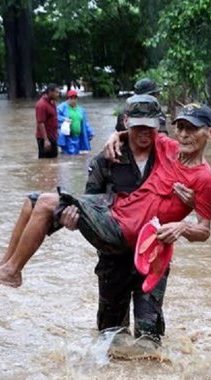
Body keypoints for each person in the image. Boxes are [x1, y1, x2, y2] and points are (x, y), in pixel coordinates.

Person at [0, 96, 211, 293]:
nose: (184, 135)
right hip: (114, 209)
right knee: (32, 202)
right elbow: (140, 134)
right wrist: (114, 135)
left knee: (45, 203)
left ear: (210, 133)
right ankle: (4, 264)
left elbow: (205, 229)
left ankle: (12, 272)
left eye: (192, 130)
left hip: (125, 231)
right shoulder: (168, 147)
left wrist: (182, 227)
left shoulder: (204, 179)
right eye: (181, 128)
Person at [59, 104, 196, 343]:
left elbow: (198, 183)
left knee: (149, 336)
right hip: (113, 259)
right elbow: (89, 205)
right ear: (126, 122)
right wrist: (73, 222)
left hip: (153, 255)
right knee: (111, 337)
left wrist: (191, 204)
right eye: (137, 126)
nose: (144, 132)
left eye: (149, 126)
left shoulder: (171, 157)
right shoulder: (106, 159)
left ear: (158, 126)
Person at [57, 89, 95, 155]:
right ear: (68, 99)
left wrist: (90, 132)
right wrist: (64, 119)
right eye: (71, 98)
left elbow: (85, 123)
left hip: (78, 138)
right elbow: (55, 116)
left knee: (76, 156)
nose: (73, 100)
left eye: (75, 98)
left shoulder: (81, 109)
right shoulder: (62, 107)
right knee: (68, 156)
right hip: (68, 137)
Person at [35, 83, 60, 158]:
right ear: (50, 92)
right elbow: (40, 123)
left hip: (52, 136)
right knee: (45, 163)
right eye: (56, 92)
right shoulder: (42, 105)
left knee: (53, 161)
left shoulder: (52, 102)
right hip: (45, 139)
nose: (58, 94)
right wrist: (46, 140)